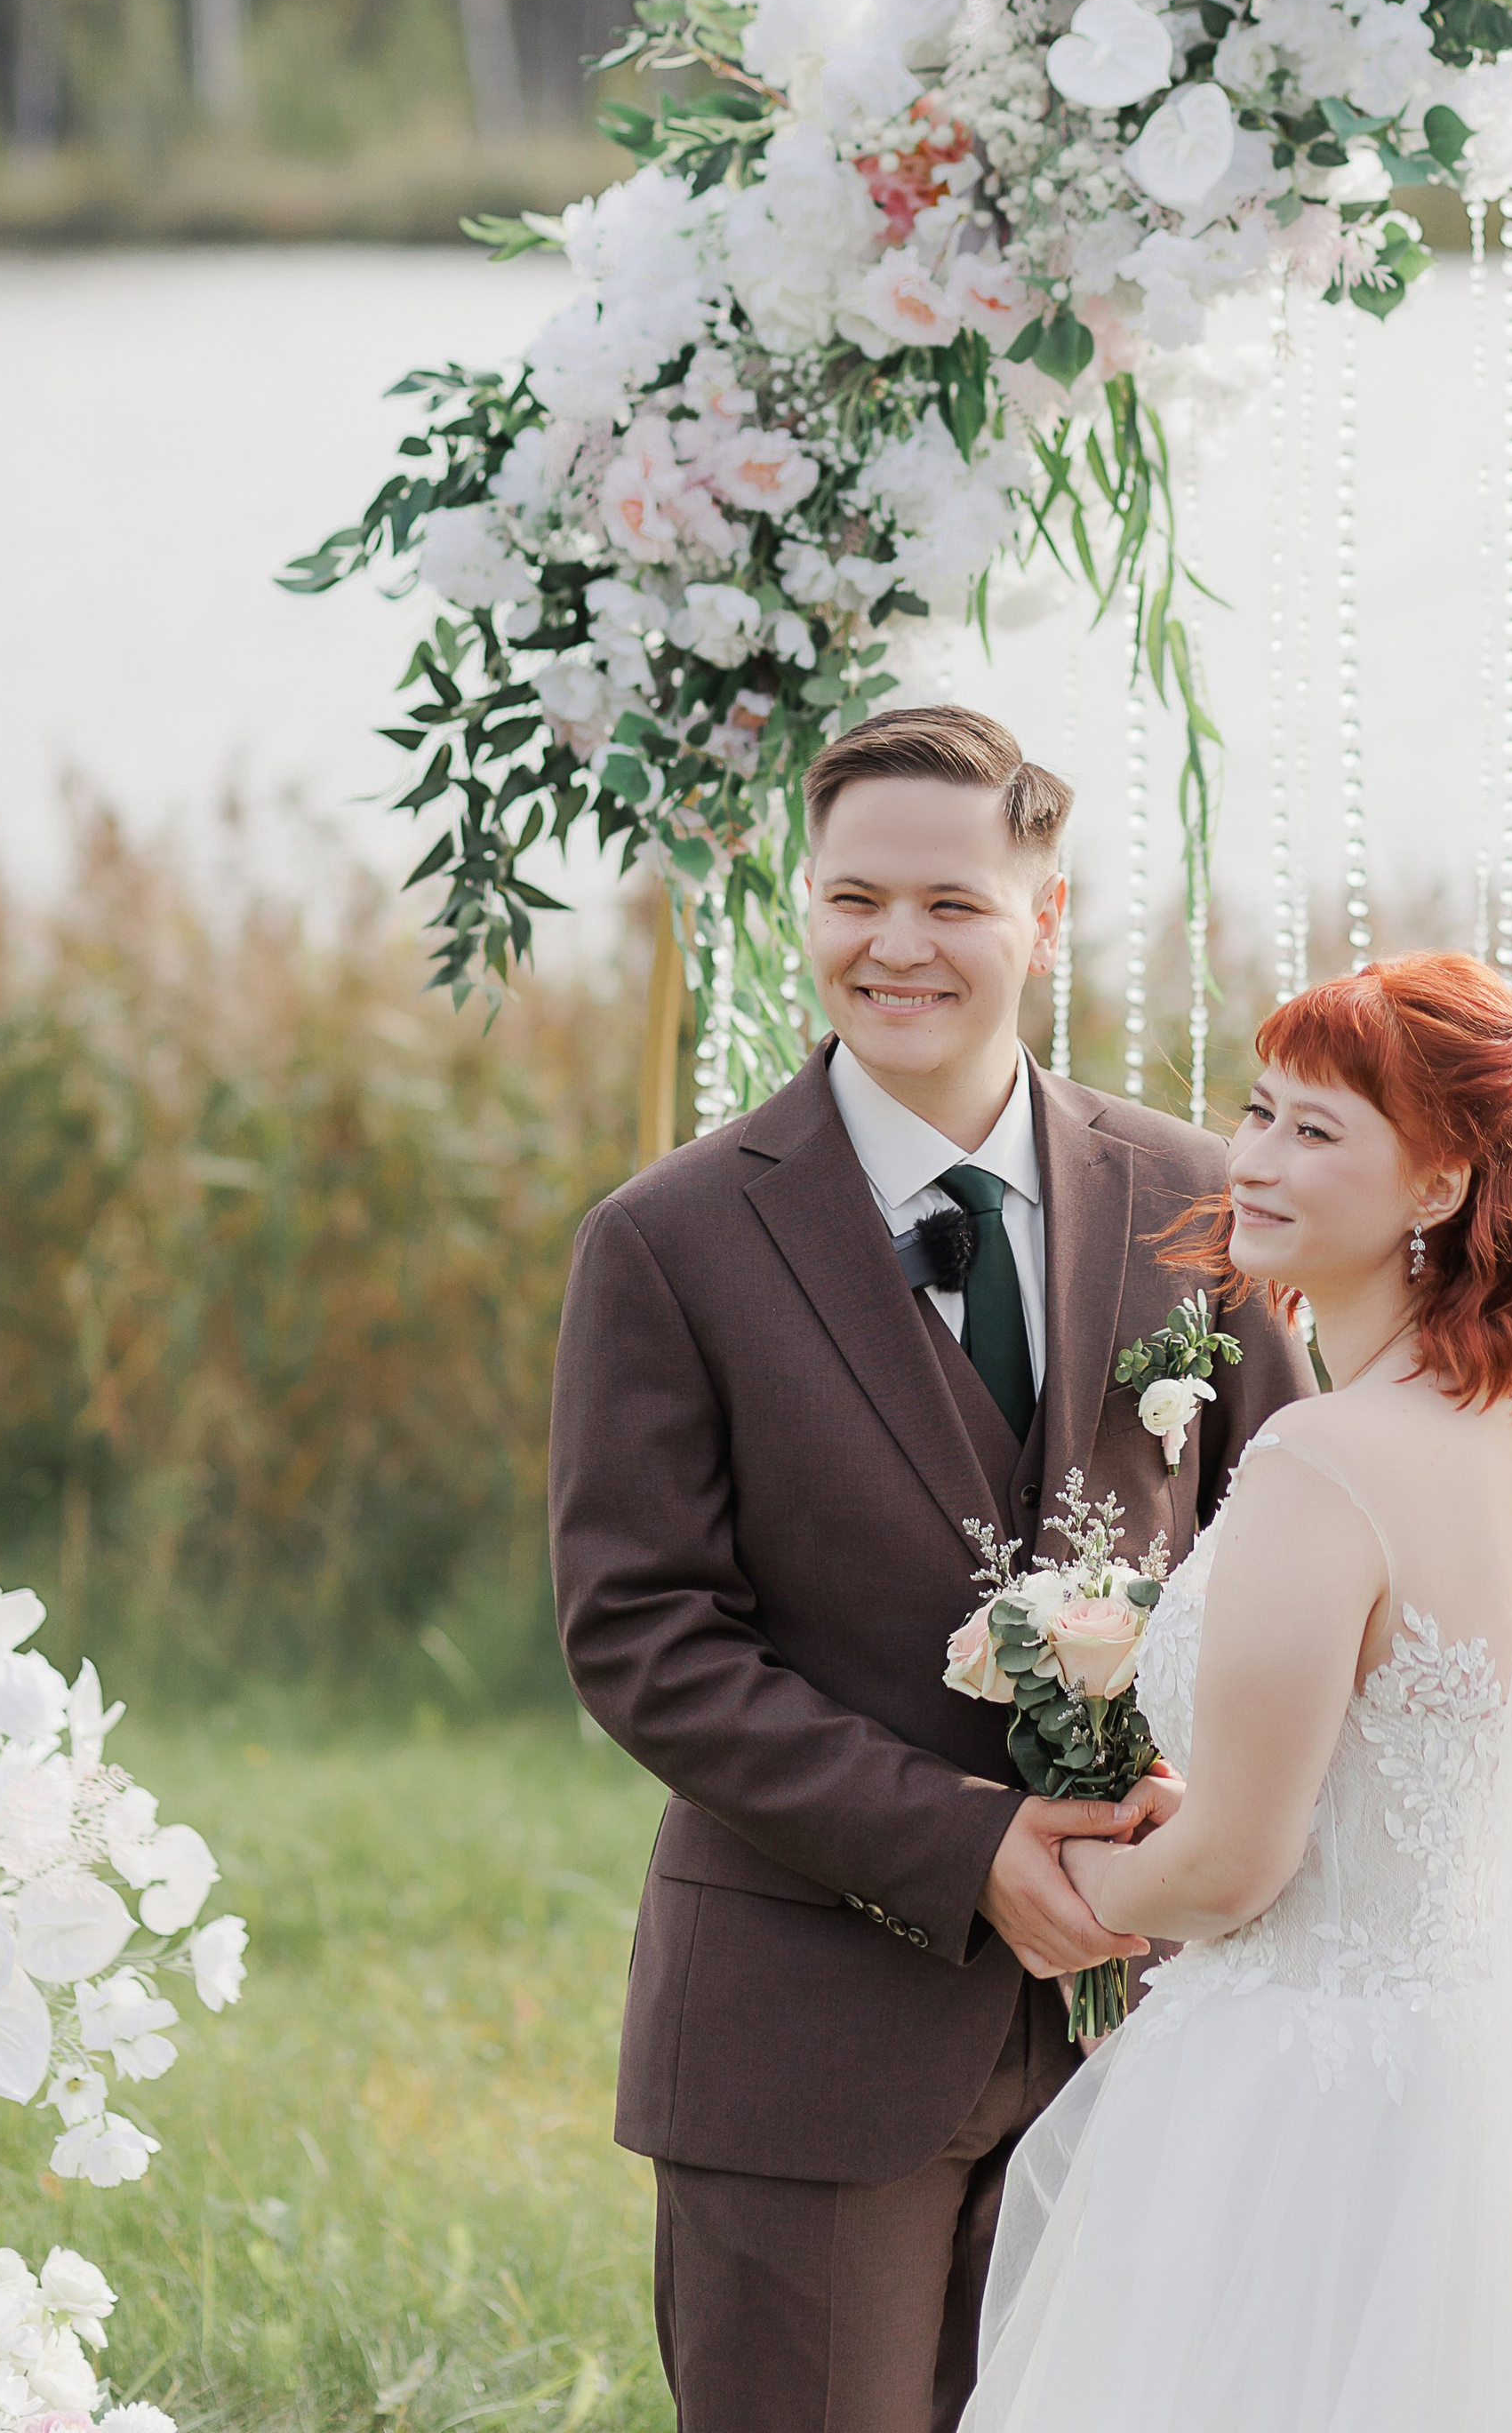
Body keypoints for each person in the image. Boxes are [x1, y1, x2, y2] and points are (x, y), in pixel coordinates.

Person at [548, 702, 1313, 2433]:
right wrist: (963, 1848)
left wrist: (1210, 1829)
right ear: (803, 910)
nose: (895, 946)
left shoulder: (1200, 1206)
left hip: (1151, 2029)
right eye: (851, 899)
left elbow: (1293, 1555)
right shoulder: (665, 1242)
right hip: (802, 2036)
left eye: (953, 905)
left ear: (1045, 918)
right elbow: (642, 1639)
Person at [964, 950, 1512, 2433]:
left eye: (1316, 1130)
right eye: (1258, 1110)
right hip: (1495, 2089)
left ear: (1434, 1189)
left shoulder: (1323, 1463)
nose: (1254, 1161)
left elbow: (1235, 1869)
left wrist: (1086, 1865)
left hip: (1308, 2100)